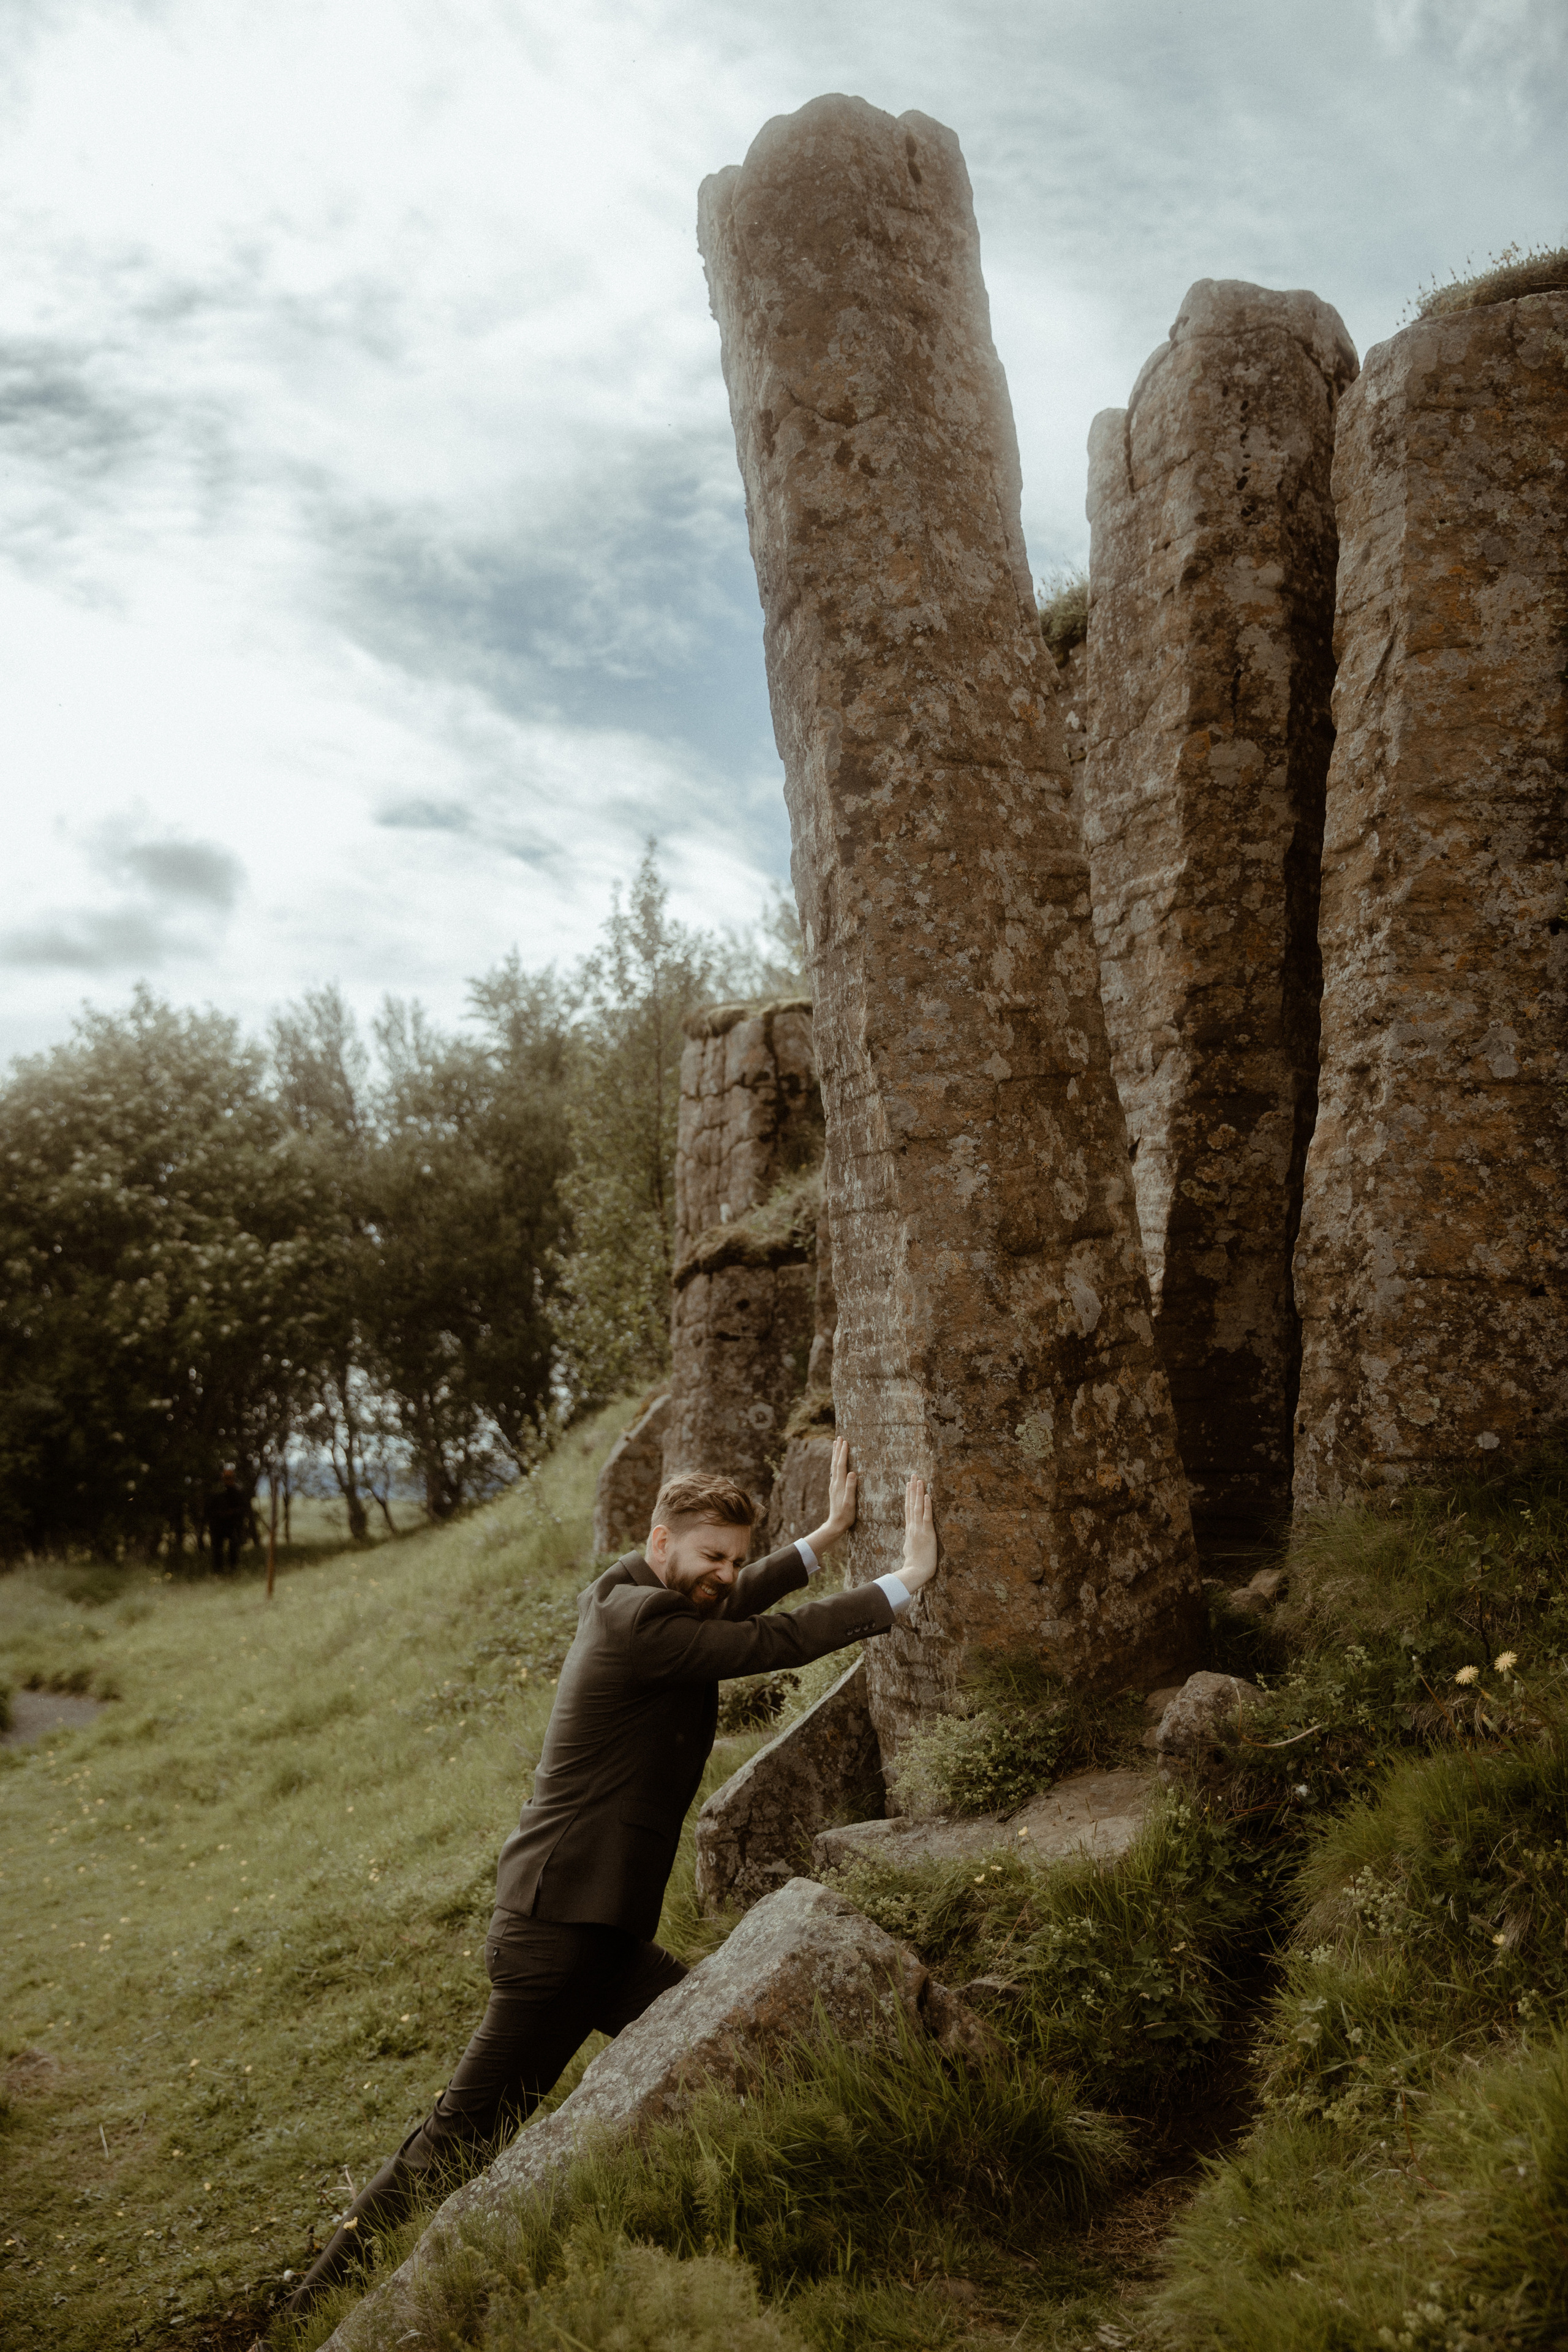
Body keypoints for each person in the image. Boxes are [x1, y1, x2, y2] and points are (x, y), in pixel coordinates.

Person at [282, 1436, 937, 2313]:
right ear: (659, 1539)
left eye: (736, 1558)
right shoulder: (643, 1625)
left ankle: (747, 2205)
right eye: (712, 1555)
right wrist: (905, 1581)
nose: (724, 1573)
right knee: (461, 2136)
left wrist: (821, 1540)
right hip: (560, 1939)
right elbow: (764, 1639)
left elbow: (731, 1601)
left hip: (595, 1937)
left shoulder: (628, 1592)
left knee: (723, 2042)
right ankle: (310, 2311)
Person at [204, 1466, 247, 1573]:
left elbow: (243, 1509)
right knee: (217, 1550)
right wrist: (219, 1514)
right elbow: (209, 1509)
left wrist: (232, 1513)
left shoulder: (238, 1492)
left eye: (230, 1477)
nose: (228, 1480)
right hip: (218, 1525)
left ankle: (233, 1570)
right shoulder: (217, 1492)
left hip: (233, 1525)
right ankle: (218, 1571)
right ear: (222, 1478)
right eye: (226, 1478)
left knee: (234, 1548)